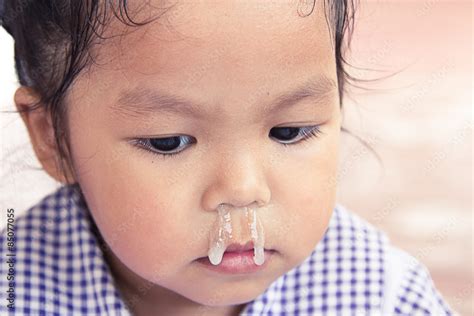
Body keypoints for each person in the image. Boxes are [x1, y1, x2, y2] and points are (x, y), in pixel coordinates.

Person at [0, 0, 455, 315]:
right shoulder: (16, 290)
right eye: (169, 142)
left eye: (289, 131)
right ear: (53, 137)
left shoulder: (376, 295)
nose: (243, 190)